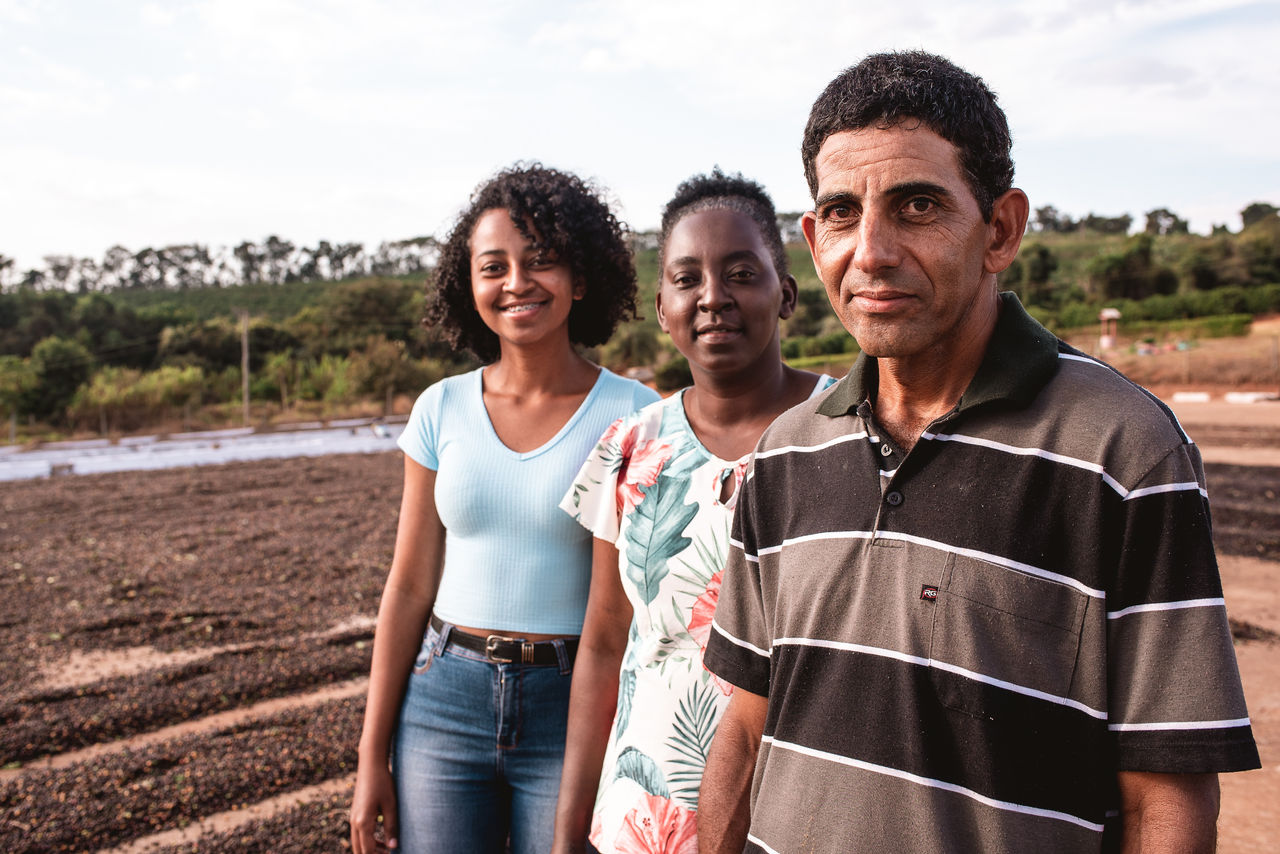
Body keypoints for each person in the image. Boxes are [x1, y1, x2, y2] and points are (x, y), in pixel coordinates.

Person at [700, 51, 1261, 854]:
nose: (872, 251)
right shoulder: (786, 453)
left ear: (1000, 230)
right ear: (814, 240)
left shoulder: (1123, 452)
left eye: (917, 205)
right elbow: (747, 728)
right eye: (842, 213)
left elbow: (1165, 797)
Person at [350, 164, 660, 854]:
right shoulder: (440, 408)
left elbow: (618, 618)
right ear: (470, 286)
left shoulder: (633, 414)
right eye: (494, 267)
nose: (517, 282)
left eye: (541, 260)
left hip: (571, 705)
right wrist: (371, 758)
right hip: (441, 701)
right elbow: (407, 587)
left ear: (580, 279)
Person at [550, 170, 834, 853]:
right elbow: (605, 643)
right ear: (661, 307)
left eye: (740, 273)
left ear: (786, 293)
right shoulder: (629, 448)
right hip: (644, 815)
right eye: (687, 279)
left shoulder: (851, 431)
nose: (712, 297)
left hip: (799, 814)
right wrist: (568, 828)